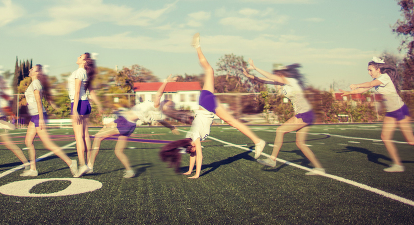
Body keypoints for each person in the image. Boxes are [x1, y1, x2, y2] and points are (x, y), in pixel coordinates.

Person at [341, 57, 414, 172]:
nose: (369, 72)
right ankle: (398, 165)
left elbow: (370, 84)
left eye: (370, 70)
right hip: (391, 112)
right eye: (368, 70)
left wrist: (357, 84)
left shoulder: (384, 77)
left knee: (411, 140)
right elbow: (363, 90)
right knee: (385, 137)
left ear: (378, 69)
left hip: (400, 110)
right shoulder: (377, 80)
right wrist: (349, 92)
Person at [180, 33, 266, 178]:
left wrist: (196, 174)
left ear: (191, 145)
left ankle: (258, 141)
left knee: (233, 121)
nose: (193, 151)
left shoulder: (194, 138)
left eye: (192, 149)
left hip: (207, 106)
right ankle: (197, 47)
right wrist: (189, 170)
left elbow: (199, 156)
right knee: (209, 70)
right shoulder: (191, 138)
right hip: (203, 101)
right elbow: (193, 154)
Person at [88, 75, 181, 178]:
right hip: (129, 125)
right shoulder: (158, 113)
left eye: (167, 102)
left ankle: (90, 166)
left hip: (124, 122)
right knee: (118, 151)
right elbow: (162, 122)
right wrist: (171, 127)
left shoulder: (157, 107)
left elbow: (158, 95)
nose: (165, 100)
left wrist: (166, 81)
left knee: (97, 137)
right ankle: (129, 171)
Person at [243, 60, 325, 175]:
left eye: (277, 72)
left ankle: (272, 159)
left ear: (282, 73)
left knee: (280, 130)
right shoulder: (283, 82)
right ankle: (319, 169)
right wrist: (250, 76)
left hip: (304, 114)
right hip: (306, 113)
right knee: (300, 144)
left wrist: (255, 68)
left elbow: (271, 77)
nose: (275, 74)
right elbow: (264, 80)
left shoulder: (290, 80)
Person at [24, 64, 79, 177]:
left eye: (32, 69)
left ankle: (70, 162)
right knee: (28, 141)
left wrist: (40, 119)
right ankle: (33, 169)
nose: (29, 70)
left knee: (48, 144)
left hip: (38, 116)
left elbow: (39, 102)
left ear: (37, 72)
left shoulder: (36, 83)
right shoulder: (34, 83)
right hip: (35, 116)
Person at [68, 52, 101, 177]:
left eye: (80, 56)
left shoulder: (79, 72)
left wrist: (75, 109)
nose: (78, 57)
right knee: (85, 135)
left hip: (79, 104)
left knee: (79, 137)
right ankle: (89, 165)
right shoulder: (85, 73)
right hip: (85, 103)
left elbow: (77, 92)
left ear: (84, 61)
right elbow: (87, 91)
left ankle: (82, 165)